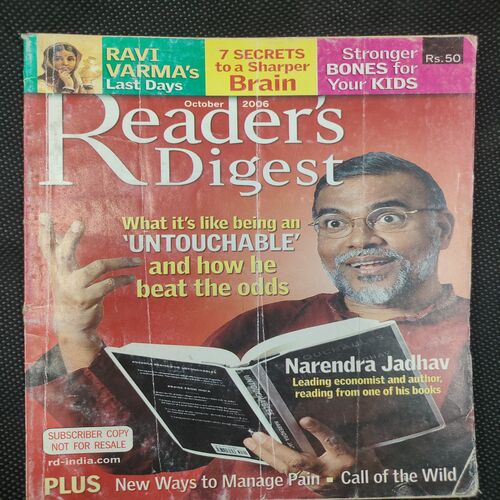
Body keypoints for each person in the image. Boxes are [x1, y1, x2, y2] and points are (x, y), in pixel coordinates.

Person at [28, 152, 476, 498]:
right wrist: (76, 335)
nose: (360, 239)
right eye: (334, 222)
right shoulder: (266, 324)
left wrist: (371, 488)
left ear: (443, 228)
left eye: (390, 217)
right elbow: (145, 451)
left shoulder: (476, 336)